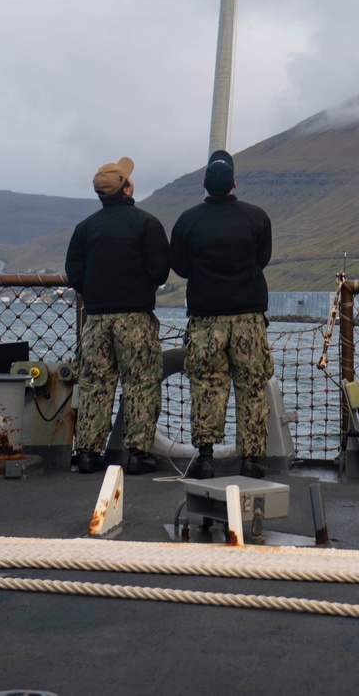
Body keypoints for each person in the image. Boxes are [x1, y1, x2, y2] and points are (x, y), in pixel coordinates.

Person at [169, 149, 274, 479]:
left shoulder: (188, 221)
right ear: (234, 183)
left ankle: (205, 458)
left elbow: (181, 267)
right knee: (252, 386)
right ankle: (252, 459)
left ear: (204, 185)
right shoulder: (256, 218)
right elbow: (263, 259)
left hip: (205, 319)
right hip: (248, 319)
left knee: (206, 387)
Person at [65, 155, 170, 475]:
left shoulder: (85, 228)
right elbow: (160, 272)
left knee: (96, 385)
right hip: (136, 319)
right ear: (126, 189)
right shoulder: (147, 223)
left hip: (96, 320)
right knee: (141, 384)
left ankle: (87, 453)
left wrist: (96, 295)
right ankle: (138, 453)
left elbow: (74, 274)